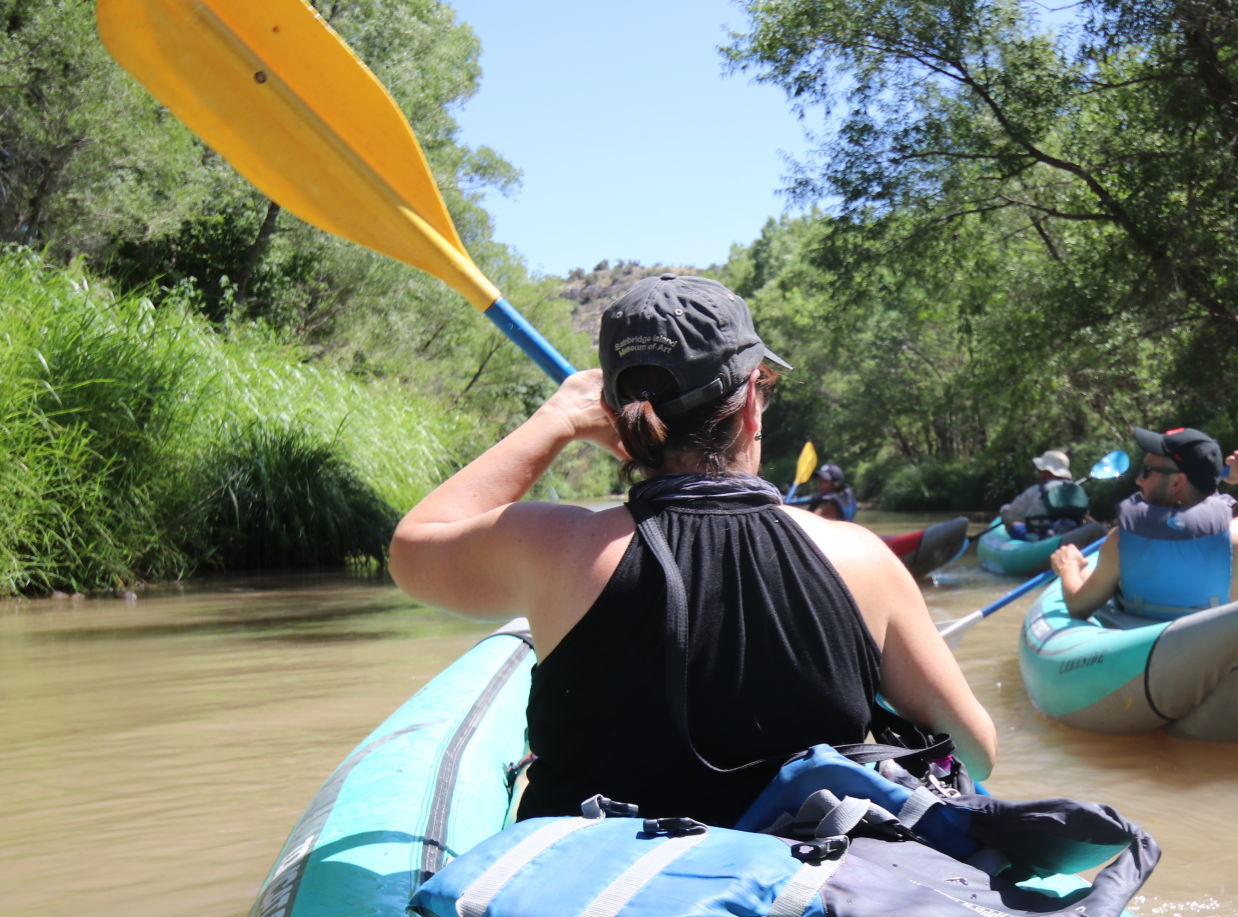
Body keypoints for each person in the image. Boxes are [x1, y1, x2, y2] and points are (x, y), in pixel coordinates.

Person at [389, 274, 996, 826]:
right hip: (795, 894)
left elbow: (413, 550)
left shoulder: (555, 547)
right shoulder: (862, 559)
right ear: (752, 403)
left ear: (615, 417)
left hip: (604, 901)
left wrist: (557, 418)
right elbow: (975, 751)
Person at [1049, 426, 1238, 621]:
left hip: (1150, 649)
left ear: (1177, 483)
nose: (1139, 479)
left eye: (1147, 470)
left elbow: (1078, 606)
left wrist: (1069, 568)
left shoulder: (1121, 540)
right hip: (1226, 638)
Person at [999, 449, 1090, 539]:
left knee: (1013, 522)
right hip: (1074, 537)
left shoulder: (1034, 491)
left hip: (1041, 539)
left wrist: (1004, 510)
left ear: (1047, 472)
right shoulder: (1076, 491)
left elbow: (1010, 513)